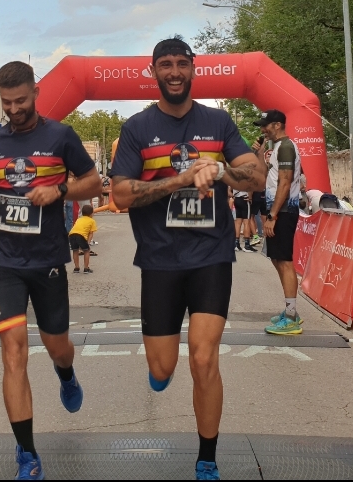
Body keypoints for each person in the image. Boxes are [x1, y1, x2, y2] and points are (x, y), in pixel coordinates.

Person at [110, 38, 264, 481]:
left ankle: (207, 458)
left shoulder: (217, 121)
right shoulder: (137, 128)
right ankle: (159, 371)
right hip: (160, 259)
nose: (174, 72)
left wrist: (221, 170)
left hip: (210, 255)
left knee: (203, 358)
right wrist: (178, 180)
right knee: (163, 366)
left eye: (182, 63)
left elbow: (256, 177)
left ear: (194, 68)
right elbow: (120, 194)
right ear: (153, 72)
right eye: (166, 65)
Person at [0, 60, 101, 480]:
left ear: (36, 93)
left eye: (21, 101)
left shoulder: (60, 136)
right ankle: (27, 455)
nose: (14, 109)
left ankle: (67, 374)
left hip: (46, 261)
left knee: (57, 345)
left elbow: (94, 183)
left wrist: (59, 189)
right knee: (13, 353)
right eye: (6, 102)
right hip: (4, 261)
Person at [253, 109, 305, 336]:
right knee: (277, 259)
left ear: (277, 125)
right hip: (277, 210)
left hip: (283, 211)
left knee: (284, 261)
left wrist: (272, 216)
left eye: (265, 125)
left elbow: (285, 182)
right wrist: (259, 152)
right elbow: (265, 177)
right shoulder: (276, 148)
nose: (263, 130)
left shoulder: (286, 147)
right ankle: (290, 311)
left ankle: (292, 317)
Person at [68, 204, 97, 273]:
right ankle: (86, 268)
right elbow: (91, 233)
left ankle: (76, 268)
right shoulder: (92, 221)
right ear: (91, 214)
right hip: (81, 236)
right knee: (87, 250)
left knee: (75, 250)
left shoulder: (79, 219)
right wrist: (88, 242)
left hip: (71, 235)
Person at [232, 188, 256, 252]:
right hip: (244, 198)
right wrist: (250, 198)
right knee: (246, 222)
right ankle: (247, 245)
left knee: (238, 222)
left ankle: (236, 243)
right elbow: (249, 187)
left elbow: (229, 188)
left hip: (236, 198)